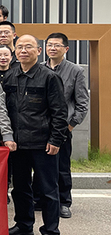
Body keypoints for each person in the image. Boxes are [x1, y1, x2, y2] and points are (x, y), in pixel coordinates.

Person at [4, 34, 69, 235]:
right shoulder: (11, 76)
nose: (23, 50)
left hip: (43, 142)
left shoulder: (49, 77)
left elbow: (59, 112)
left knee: (48, 189)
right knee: (20, 187)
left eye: (28, 47)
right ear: (15, 51)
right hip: (18, 144)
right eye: (19, 47)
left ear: (38, 51)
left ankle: (50, 230)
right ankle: (24, 224)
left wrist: (56, 139)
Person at [42, 32, 89, 219]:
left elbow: (82, 102)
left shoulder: (75, 71)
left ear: (66, 49)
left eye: (57, 45)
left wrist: (70, 125)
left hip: (62, 128)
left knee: (62, 166)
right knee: (41, 166)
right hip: (40, 126)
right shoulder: (39, 68)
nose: (52, 48)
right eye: (49, 45)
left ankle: (64, 202)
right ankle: (41, 200)